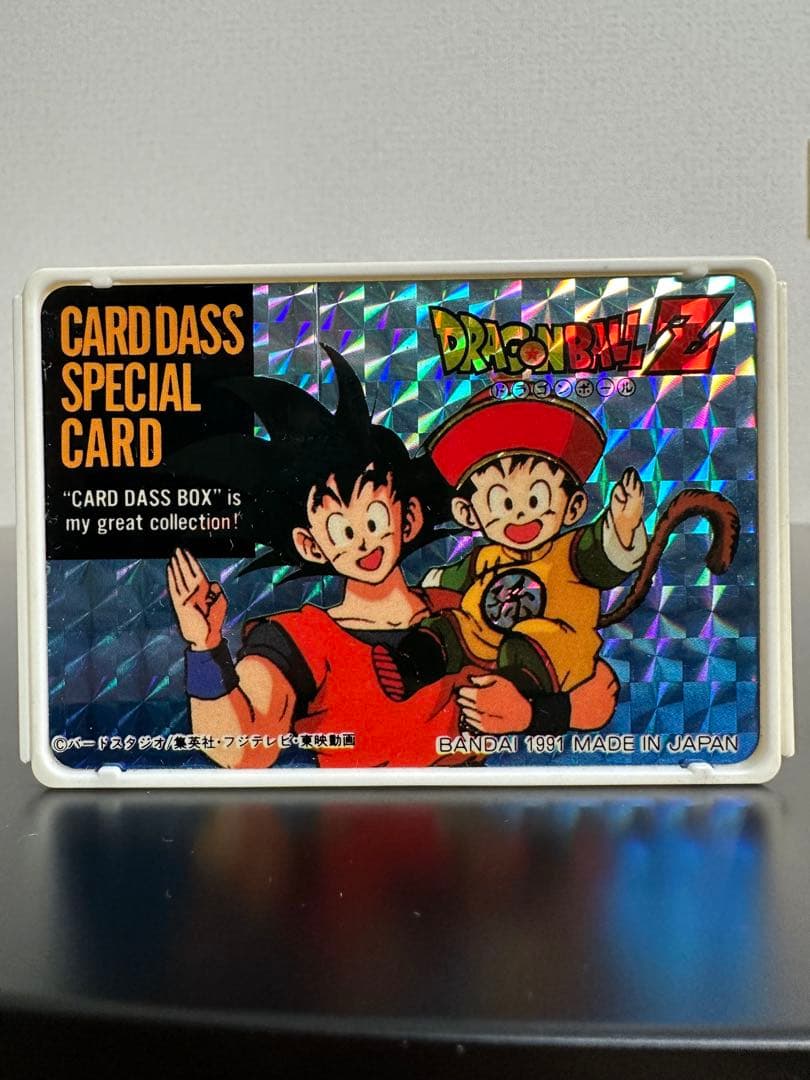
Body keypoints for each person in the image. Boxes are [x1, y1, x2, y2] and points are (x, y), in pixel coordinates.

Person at [166, 346, 552, 769]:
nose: (364, 542)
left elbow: (591, 690)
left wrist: (530, 714)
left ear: (408, 519)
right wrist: (205, 648)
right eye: (341, 530)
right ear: (310, 544)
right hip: (347, 808)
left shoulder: (466, 609)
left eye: (374, 518)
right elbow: (242, 751)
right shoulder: (298, 639)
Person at [371, 389, 648, 734]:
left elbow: (604, 557)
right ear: (468, 513)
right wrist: (426, 587)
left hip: (555, 642)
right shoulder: (486, 557)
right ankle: (409, 667)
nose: (519, 514)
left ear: (574, 507)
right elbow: (452, 577)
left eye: (535, 499)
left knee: (533, 643)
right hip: (482, 636)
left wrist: (621, 527)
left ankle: (514, 696)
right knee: (449, 627)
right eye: (501, 502)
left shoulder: (570, 550)